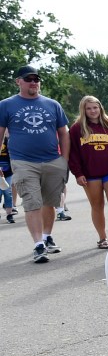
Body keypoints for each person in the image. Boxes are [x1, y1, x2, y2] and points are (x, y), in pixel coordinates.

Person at [0, 64, 69, 263]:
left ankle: (47, 237)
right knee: (31, 202)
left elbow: (63, 133)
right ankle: (38, 245)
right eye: (28, 79)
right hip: (23, 161)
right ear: (18, 81)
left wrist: (64, 160)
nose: (33, 83)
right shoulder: (6, 105)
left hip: (52, 160)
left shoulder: (52, 104)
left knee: (50, 202)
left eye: (36, 79)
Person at [68, 95, 108, 247]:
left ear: (100, 108)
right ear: (83, 110)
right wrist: (78, 173)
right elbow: (73, 153)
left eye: (95, 107)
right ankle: (103, 238)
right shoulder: (77, 128)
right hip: (90, 174)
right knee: (97, 205)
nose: (92, 111)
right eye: (89, 108)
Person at [0, 134, 16, 223]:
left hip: (8, 171)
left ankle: (9, 215)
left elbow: (12, 155)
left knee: (8, 192)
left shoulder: (7, 140)